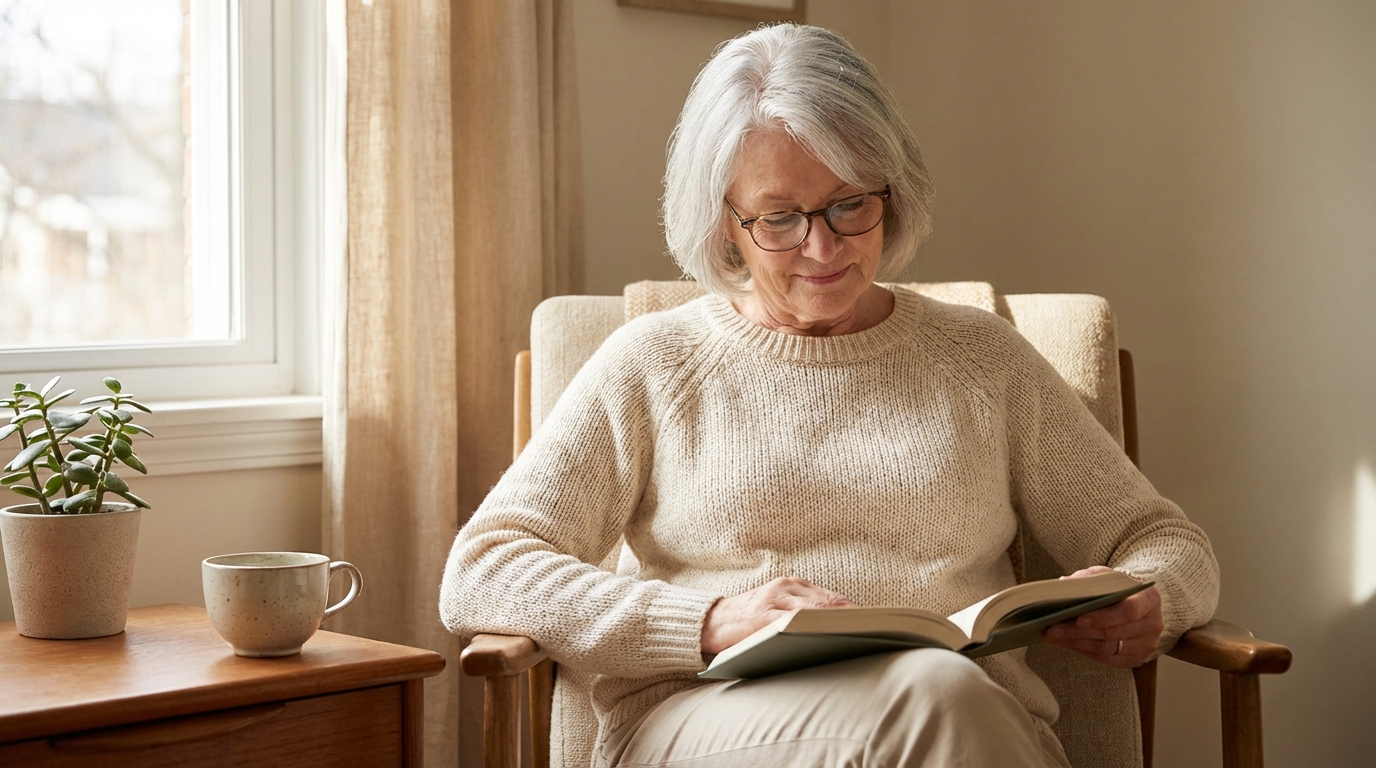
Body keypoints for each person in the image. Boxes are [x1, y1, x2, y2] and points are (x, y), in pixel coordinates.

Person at [441, 23, 1218, 768]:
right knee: (939, 699)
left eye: (850, 204)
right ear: (725, 226)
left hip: (962, 722)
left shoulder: (982, 361)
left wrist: (1153, 600)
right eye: (780, 217)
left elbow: (1167, 542)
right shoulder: (656, 364)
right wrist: (707, 622)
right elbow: (484, 568)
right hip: (706, 723)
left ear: (893, 190)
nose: (823, 247)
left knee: (941, 698)